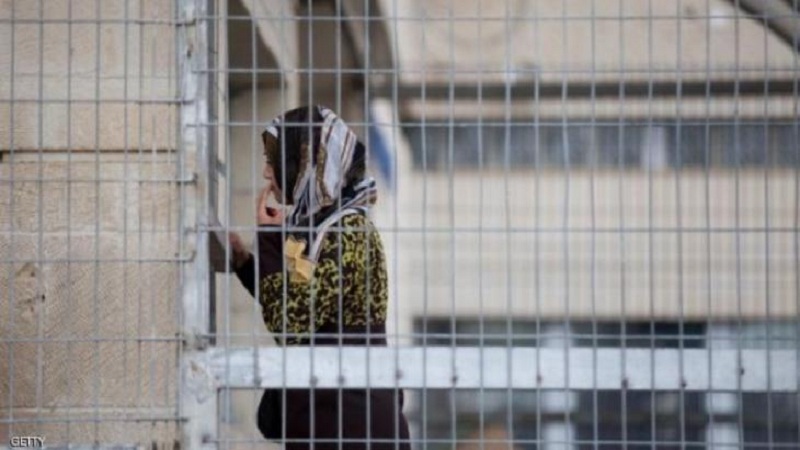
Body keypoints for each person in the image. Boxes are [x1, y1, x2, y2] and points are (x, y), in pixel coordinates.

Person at [227, 105, 411, 450]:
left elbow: (291, 321)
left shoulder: (346, 232)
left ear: (306, 165)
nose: (266, 172)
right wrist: (246, 264)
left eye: (274, 161)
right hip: (336, 420)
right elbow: (300, 303)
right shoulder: (323, 227)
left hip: (351, 427)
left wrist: (269, 239)